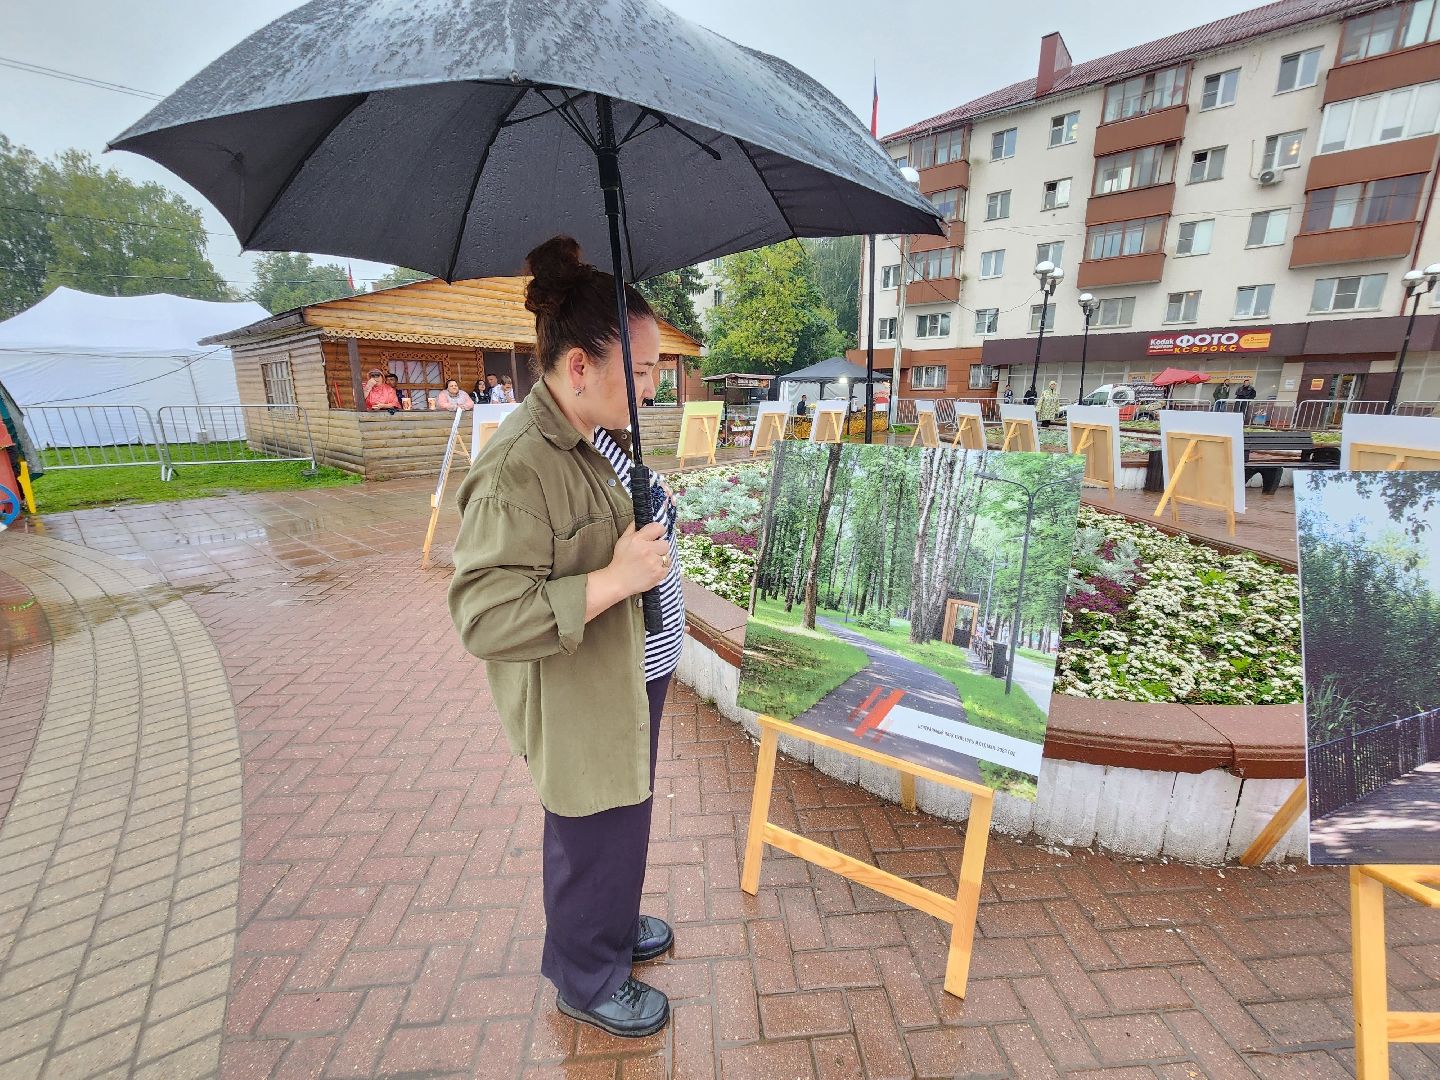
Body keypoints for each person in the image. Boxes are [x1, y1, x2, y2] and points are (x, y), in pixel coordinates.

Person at [449, 236, 683, 1040]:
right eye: (642, 370)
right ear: (579, 365)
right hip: (581, 690)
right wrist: (616, 579)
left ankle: (610, 932)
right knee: (590, 828)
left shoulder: (601, 432)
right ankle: (585, 975)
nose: (653, 388)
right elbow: (483, 614)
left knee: (626, 817)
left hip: (633, 672)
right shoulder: (517, 466)